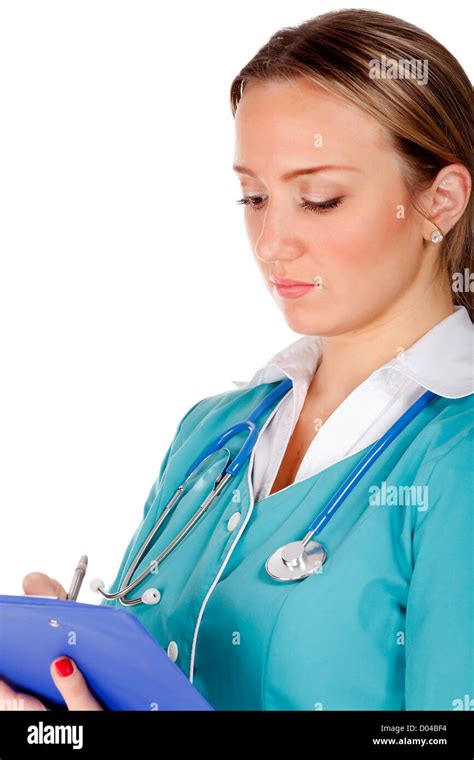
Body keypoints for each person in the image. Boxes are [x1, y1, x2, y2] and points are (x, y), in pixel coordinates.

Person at [1, 8, 472, 711]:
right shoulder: (212, 435)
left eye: (319, 198)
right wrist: (69, 686)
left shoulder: (456, 459)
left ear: (439, 202)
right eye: (254, 196)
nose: (271, 241)